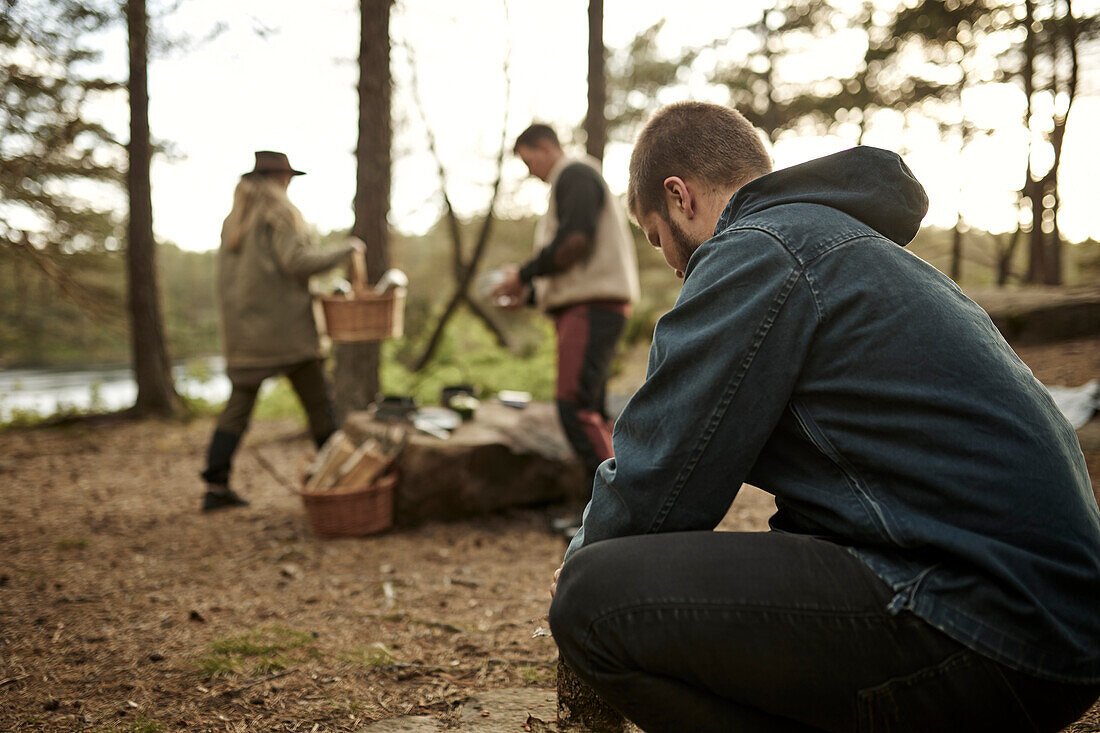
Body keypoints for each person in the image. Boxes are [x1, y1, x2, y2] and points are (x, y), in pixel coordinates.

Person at [548, 102, 1100, 732]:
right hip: (1052, 626)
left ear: (680, 198)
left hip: (981, 623)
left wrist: (580, 557)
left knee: (593, 597)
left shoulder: (757, 250)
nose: (675, 266)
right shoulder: (843, 247)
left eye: (658, 238)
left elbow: (660, 483)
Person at [494, 124, 640, 533]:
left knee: (574, 408)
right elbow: (573, 265)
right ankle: (601, 514)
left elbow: (574, 243)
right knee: (589, 408)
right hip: (588, 306)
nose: (528, 171)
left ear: (544, 147)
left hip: (591, 309)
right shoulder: (574, 178)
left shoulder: (574, 174)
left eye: (527, 160)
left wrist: (522, 274)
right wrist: (528, 295)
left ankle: (621, 516)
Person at [200, 150, 364, 512]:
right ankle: (335, 479)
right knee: (320, 405)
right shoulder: (281, 213)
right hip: (288, 333)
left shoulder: (235, 219)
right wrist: (345, 250)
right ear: (279, 178)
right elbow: (297, 262)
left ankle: (215, 485)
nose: (289, 182)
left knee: (237, 408)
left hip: (244, 334)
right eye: (287, 176)